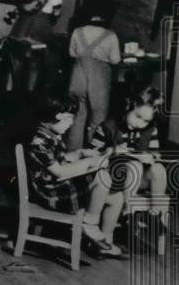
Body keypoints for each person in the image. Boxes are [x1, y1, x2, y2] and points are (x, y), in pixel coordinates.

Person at [25, 94, 127, 258]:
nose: (71, 123)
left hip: (58, 183)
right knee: (102, 178)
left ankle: (105, 242)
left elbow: (62, 158)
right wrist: (92, 162)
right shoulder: (39, 142)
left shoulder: (51, 135)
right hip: (50, 191)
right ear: (53, 118)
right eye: (67, 119)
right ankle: (90, 223)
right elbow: (60, 172)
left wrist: (80, 153)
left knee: (116, 198)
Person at [89, 87, 168, 229]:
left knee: (159, 169)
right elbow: (90, 153)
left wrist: (151, 156)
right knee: (134, 166)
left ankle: (155, 214)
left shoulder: (150, 130)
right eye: (138, 117)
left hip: (140, 180)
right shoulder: (107, 127)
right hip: (112, 177)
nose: (140, 123)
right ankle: (128, 212)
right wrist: (111, 151)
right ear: (128, 107)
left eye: (146, 121)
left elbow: (155, 154)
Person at [66, 0, 122, 151]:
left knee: (79, 115)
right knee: (98, 120)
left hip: (78, 77)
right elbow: (115, 60)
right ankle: (91, 155)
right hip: (99, 81)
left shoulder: (78, 31)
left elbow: (72, 53)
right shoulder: (111, 35)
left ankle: (72, 152)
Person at [4, 0, 63, 94]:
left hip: (40, 27)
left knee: (34, 62)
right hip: (23, 25)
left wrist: (49, 20)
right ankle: (8, 92)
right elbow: (20, 4)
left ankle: (30, 93)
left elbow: (56, 12)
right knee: (15, 60)